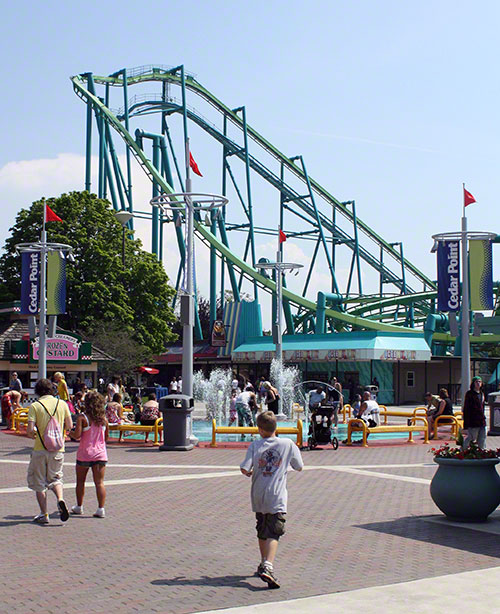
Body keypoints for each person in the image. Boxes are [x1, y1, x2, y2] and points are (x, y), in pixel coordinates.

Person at [240, 411, 304, 589]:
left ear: (260, 429)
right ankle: (268, 566)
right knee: (274, 531)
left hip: (258, 494)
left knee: (262, 528)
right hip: (276, 495)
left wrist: (251, 472)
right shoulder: (287, 444)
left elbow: (244, 468)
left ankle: (263, 562)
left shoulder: (255, 445)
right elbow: (299, 466)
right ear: (276, 427)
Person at [26, 378, 72, 524]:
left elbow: (29, 431)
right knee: (56, 478)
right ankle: (60, 499)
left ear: (38, 391)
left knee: (39, 482)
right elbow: (69, 425)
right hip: (58, 449)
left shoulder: (35, 406)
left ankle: (44, 514)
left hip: (40, 448)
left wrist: (36, 434)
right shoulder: (62, 404)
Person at [69, 391, 108, 518]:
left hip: (85, 454)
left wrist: (69, 432)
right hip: (100, 454)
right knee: (99, 482)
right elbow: (106, 437)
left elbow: (77, 435)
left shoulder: (82, 417)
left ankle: (79, 506)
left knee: (80, 482)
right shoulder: (104, 420)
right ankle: (101, 508)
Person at [462, 376, 486, 449]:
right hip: (473, 421)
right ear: (473, 383)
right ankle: (463, 451)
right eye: (476, 382)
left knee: (482, 439)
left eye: (480, 381)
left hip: (482, 421)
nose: (478, 383)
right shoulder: (469, 394)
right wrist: (465, 424)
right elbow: (466, 409)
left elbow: (482, 408)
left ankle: (482, 453)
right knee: (471, 438)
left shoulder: (482, 394)